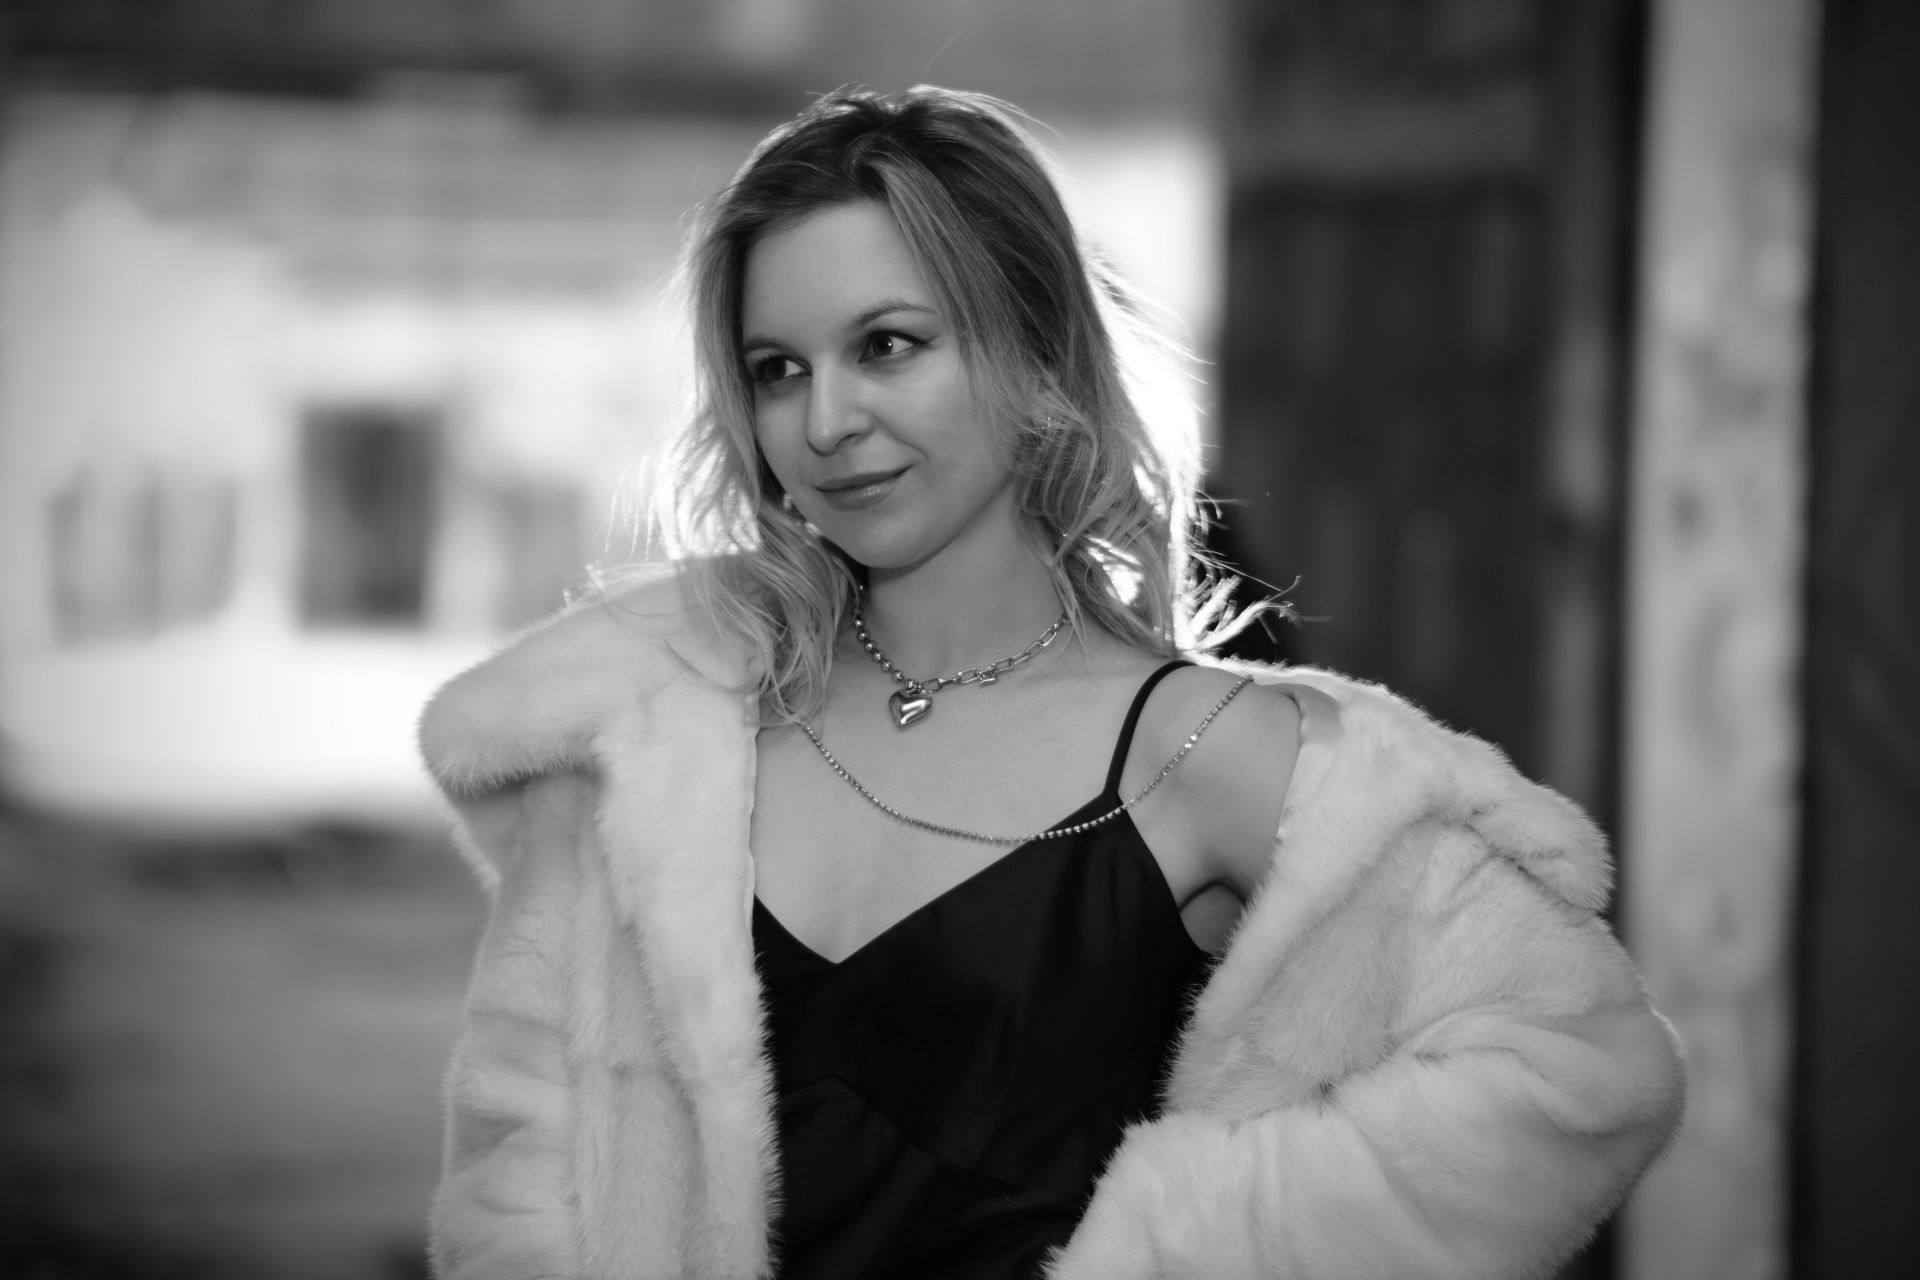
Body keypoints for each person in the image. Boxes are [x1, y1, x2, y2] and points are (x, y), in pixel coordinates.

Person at [419, 86, 1685, 1280]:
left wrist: (1188, 1246)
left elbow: (1578, 1066)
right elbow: (519, 1178)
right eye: (777, 369)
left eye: (888, 345)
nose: (826, 421)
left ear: (1036, 351)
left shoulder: (1211, 750)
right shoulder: (657, 731)